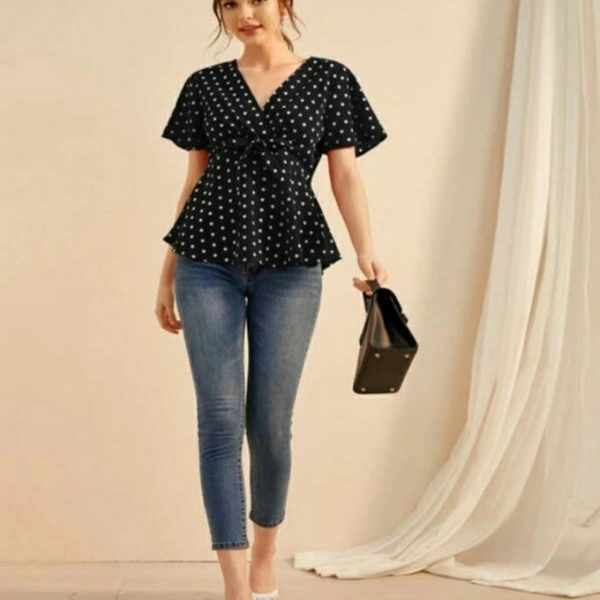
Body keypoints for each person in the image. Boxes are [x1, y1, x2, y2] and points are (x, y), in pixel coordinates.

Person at [154, 1, 389, 599]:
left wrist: (366, 252)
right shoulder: (205, 85)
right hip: (205, 263)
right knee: (219, 420)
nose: (244, 13)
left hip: (292, 264)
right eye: (230, 3)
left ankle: (265, 557)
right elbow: (194, 180)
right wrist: (168, 270)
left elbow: (345, 175)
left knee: (270, 426)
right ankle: (236, 586)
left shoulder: (330, 79)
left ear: (285, 5)